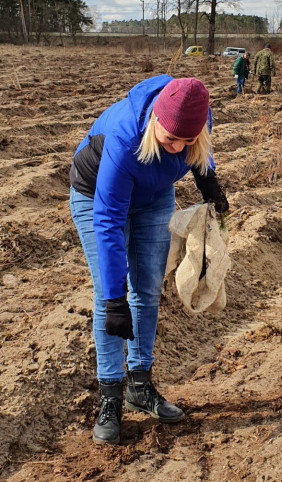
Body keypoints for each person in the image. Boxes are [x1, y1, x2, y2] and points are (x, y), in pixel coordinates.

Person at [69, 75, 229, 445]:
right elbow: (107, 220)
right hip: (96, 196)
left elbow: (198, 151)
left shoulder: (198, 119)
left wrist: (210, 182)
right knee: (113, 298)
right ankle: (110, 396)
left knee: (146, 289)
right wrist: (114, 297)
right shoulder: (126, 137)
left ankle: (140, 387)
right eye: (169, 138)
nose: (176, 149)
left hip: (154, 198)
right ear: (156, 119)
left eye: (185, 142)